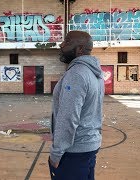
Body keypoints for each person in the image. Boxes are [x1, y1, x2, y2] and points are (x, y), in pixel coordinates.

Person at [49, 30, 105, 180]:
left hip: (74, 151)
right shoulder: (96, 74)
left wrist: (56, 152)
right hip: (90, 145)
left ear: (80, 49)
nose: (61, 45)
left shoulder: (76, 74)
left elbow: (68, 117)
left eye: (67, 41)